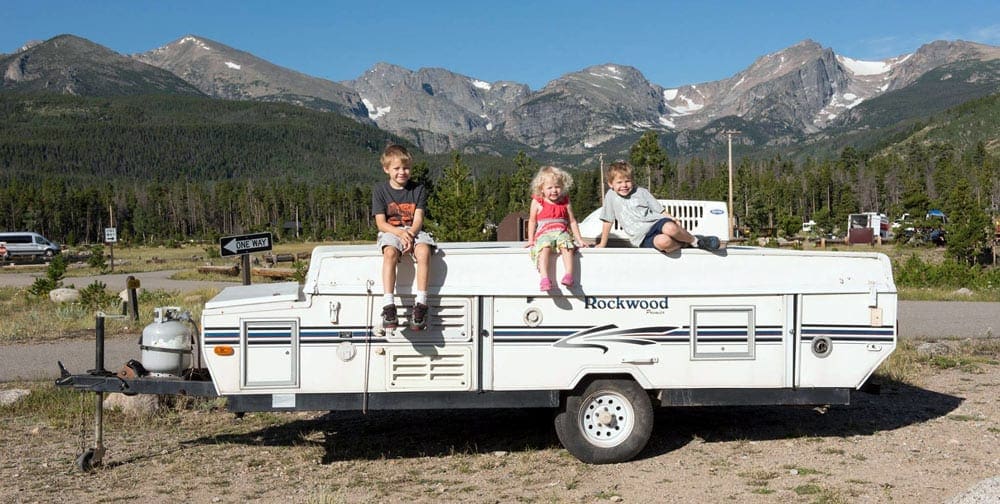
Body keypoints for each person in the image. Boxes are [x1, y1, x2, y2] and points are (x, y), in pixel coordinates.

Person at [372, 144, 436, 330]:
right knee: (390, 253)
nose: (402, 172)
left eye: (406, 168)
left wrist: (410, 235)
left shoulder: (418, 189)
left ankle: (421, 303)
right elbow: (381, 223)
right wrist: (400, 233)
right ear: (386, 169)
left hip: (413, 231)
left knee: (424, 251)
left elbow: (418, 219)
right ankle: (389, 305)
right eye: (397, 168)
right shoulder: (380, 190)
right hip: (391, 231)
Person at [595, 160, 720, 253]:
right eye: (619, 182)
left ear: (632, 181)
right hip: (641, 238)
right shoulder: (610, 196)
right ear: (611, 184)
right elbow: (608, 220)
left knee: (671, 228)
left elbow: (660, 210)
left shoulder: (641, 192)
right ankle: (685, 244)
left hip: (656, 223)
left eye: (627, 181)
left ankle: (696, 241)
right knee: (664, 242)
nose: (624, 185)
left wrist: (673, 219)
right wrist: (602, 244)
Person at [526, 166, 588, 290]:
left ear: (563, 187)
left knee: (567, 245)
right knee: (544, 247)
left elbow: (572, 221)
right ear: (541, 189)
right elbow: (532, 221)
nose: (554, 190)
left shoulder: (565, 201)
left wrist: (579, 239)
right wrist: (531, 240)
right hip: (544, 233)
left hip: (562, 232)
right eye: (550, 187)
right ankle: (544, 278)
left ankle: (569, 274)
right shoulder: (538, 202)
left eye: (557, 187)